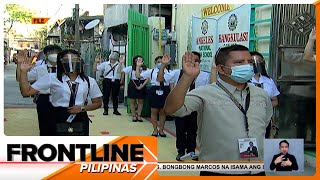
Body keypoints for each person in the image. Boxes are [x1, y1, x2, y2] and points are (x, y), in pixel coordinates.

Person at [164, 45, 273, 176]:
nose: (248, 66)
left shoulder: (261, 94)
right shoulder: (205, 93)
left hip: (256, 170)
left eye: (250, 62)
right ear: (221, 68)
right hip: (218, 171)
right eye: (239, 62)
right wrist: (187, 77)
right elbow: (171, 109)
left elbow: (265, 122)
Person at [19, 49, 103, 136]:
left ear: (80, 62)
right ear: (61, 63)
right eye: (67, 60)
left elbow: (98, 103)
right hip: (58, 114)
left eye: (74, 60)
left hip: (79, 116)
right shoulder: (52, 78)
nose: (71, 63)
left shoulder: (89, 81)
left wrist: (82, 108)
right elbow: (26, 92)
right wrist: (23, 72)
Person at [171, 51, 211, 161]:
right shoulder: (177, 73)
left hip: (196, 107)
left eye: (196, 60)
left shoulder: (205, 76)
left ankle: (191, 150)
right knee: (180, 128)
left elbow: (209, 89)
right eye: (191, 60)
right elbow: (161, 79)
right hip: (180, 105)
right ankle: (181, 151)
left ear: (200, 62)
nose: (194, 62)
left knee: (193, 129)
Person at [16, 45, 62, 136]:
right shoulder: (40, 68)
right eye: (51, 53)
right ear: (45, 55)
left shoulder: (66, 68)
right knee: (45, 126)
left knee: (61, 126)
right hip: (44, 99)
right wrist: (20, 66)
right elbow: (21, 78)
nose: (54, 55)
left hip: (62, 98)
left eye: (56, 53)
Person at [136, 55, 174, 137]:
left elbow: (171, 85)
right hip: (154, 90)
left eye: (162, 61)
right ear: (155, 63)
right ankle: (155, 129)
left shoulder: (170, 72)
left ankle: (161, 130)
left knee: (163, 112)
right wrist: (138, 67)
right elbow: (138, 76)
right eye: (158, 62)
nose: (160, 63)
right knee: (154, 111)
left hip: (165, 90)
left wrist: (172, 95)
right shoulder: (151, 71)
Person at [250, 51, 280, 138]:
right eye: (252, 61)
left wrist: (264, 106)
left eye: (259, 61)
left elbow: (275, 101)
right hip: (249, 120)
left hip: (265, 120)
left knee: (264, 143)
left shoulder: (268, 81)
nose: (256, 64)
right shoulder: (244, 81)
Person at [93, 51, 124, 116]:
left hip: (116, 80)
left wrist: (121, 80)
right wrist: (96, 62)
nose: (112, 59)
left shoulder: (120, 64)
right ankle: (105, 110)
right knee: (106, 95)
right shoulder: (105, 64)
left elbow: (120, 72)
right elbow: (95, 69)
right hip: (107, 80)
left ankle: (115, 110)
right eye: (112, 58)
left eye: (114, 58)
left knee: (115, 96)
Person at [120, 55, 149, 122]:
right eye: (137, 60)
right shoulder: (131, 68)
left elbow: (147, 78)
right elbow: (121, 71)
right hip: (133, 84)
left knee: (141, 101)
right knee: (132, 101)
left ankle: (139, 115)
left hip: (142, 83)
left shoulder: (145, 69)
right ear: (134, 61)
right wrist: (121, 63)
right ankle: (134, 116)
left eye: (140, 60)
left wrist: (142, 86)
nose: (138, 61)